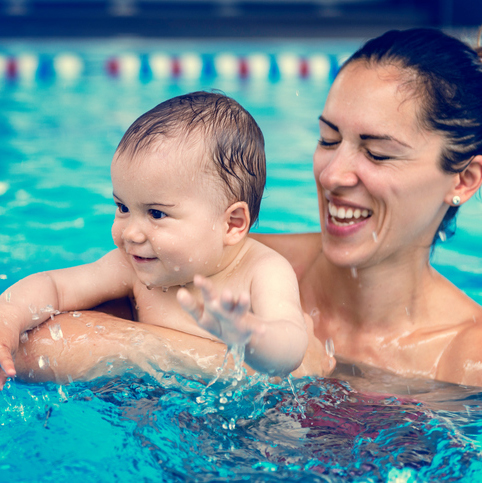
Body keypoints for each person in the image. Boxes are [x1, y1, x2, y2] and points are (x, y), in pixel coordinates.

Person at [11, 28, 483, 387]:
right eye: (327, 139)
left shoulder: (465, 360)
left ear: (463, 180)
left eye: (378, 153)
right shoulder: (204, 261)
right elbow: (40, 347)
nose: (333, 174)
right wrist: (227, 365)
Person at [0, 91, 319, 388]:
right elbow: (55, 287)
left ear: (232, 224)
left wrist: (250, 334)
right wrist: (7, 320)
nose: (130, 233)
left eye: (156, 214)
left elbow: (291, 349)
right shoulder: (134, 265)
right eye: (123, 207)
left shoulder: (263, 271)